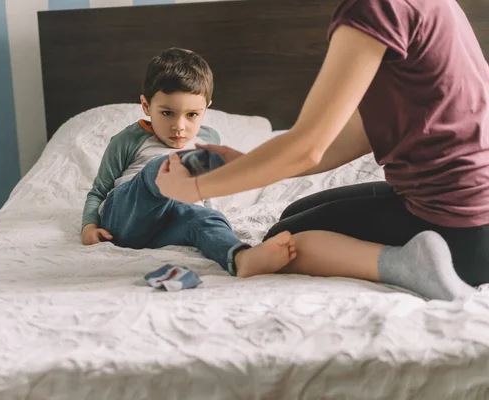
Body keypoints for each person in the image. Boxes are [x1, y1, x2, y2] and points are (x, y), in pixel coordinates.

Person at [155, 0, 489, 301]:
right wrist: (246, 164)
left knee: (283, 243)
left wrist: (195, 188)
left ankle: (409, 266)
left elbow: (307, 146)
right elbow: (362, 132)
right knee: (292, 215)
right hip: (473, 219)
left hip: (461, 236)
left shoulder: (373, 7)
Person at [81, 47, 297, 276]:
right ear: (146, 106)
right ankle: (179, 169)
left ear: (206, 108)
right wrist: (89, 226)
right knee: (159, 169)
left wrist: (210, 215)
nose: (179, 127)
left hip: (171, 225)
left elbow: (206, 197)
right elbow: (98, 191)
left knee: (204, 218)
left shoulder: (208, 140)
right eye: (167, 113)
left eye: (192, 115)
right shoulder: (128, 140)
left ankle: (241, 257)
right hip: (128, 220)